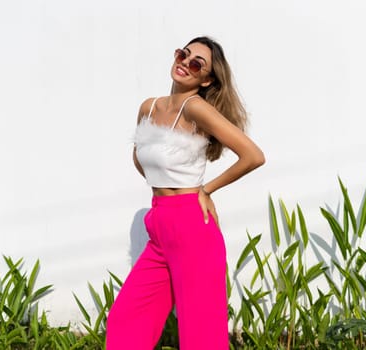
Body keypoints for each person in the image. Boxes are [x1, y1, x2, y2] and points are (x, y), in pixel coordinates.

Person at [106, 36, 265, 350]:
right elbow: (142, 160)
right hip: (159, 227)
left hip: (192, 227)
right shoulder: (148, 107)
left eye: (197, 63)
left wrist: (205, 190)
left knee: (200, 338)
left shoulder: (196, 108)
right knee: (126, 322)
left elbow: (253, 155)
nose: (185, 63)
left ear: (206, 79)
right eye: (183, 54)